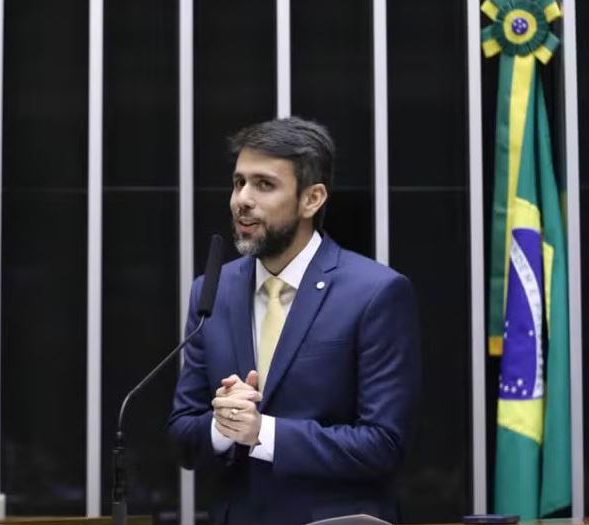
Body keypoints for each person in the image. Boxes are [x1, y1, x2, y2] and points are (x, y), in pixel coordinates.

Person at [168, 116, 420, 525]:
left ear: (312, 199)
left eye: (264, 185)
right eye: (238, 182)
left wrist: (262, 432)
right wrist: (221, 425)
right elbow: (182, 438)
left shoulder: (375, 293)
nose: (241, 200)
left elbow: (383, 444)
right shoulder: (213, 290)